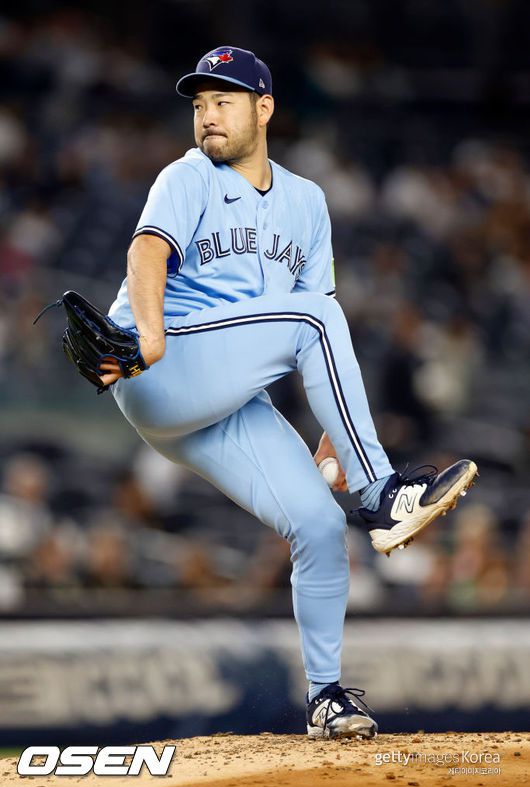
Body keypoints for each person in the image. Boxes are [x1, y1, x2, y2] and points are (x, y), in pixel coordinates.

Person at [100, 46, 477, 739]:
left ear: (263, 108)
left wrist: (338, 429)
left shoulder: (307, 201)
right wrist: (148, 334)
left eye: (224, 101)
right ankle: (384, 494)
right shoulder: (187, 178)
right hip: (157, 364)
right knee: (315, 320)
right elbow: (146, 253)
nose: (208, 115)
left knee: (319, 527)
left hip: (224, 394)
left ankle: (326, 698)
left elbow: (317, 320)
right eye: (199, 103)